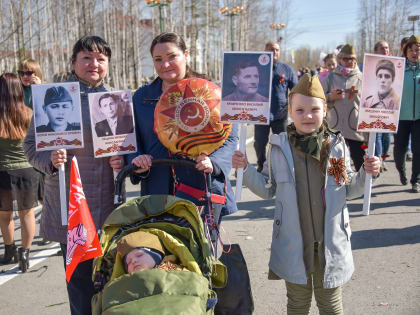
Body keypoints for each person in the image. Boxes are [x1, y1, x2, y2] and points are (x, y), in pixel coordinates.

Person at [232, 74, 380, 315]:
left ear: (325, 111)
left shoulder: (334, 147)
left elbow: (348, 189)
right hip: (293, 244)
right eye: (300, 110)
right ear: (290, 111)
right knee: (297, 305)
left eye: (314, 109)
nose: (307, 115)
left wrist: (367, 173)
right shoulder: (279, 147)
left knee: (330, 306)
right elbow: (268, 189)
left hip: (329, 244)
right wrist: (245, 170)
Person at [23, 35, 124, 315]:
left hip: (110, 204)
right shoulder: (55, 98)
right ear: (73, 62)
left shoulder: (116, 99)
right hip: (71, 205)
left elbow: (129, 147)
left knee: (113, 279)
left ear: (108, 64)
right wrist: (51, 160)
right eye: (87, 58)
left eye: (101, 59)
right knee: (80, 284)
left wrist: (122, 159)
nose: (94, 64)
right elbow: (30, 147)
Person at [127, 32, 238, 222]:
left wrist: (214, 162)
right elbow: (131, 140)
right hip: (157, 191)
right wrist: (137, 160)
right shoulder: (141, 97)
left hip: (201, 188)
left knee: (200, 249)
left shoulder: (211, 91)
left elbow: (230, 137)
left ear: (186, 55)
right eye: (158, 59)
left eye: (172, 57)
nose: (165, 64)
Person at [0, 73, 41, 272]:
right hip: (27, 170)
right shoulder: (29, 113)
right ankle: (25, 254)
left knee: (4, 215)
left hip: (2, 171)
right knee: (27, 215)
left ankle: (9, 251)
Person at [254, 41, 298, 172]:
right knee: (260, 144)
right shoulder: (257, 68)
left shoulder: (286, 69)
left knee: (282, 143)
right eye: (272, 49)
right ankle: (261, 165)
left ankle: (282, 168)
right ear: (265, 50)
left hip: (280, 114)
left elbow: (295, 90)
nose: (275, 52)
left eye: (277, 50)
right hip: (260, 114)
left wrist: (293, 106)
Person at [321, 44, 366, 171]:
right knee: (337, 164)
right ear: (340, 59)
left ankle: (360, 189)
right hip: (335, 128)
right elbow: (317, 98)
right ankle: (338, 189)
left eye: (352, 58)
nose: (349, 62)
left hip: (356, 129)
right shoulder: (330, 78)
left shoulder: (362, 78)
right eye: (346, 59)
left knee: (359, 163)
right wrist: (330, 96)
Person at [394, 35, 420, 192]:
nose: (414, 53)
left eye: (417, 50)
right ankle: (401, 171)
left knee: (418, 150)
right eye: (410, 50)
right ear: (405, 52)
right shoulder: (398, 69)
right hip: (400, 118)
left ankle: (415, 180)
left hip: (419, 118)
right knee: (399, 149)